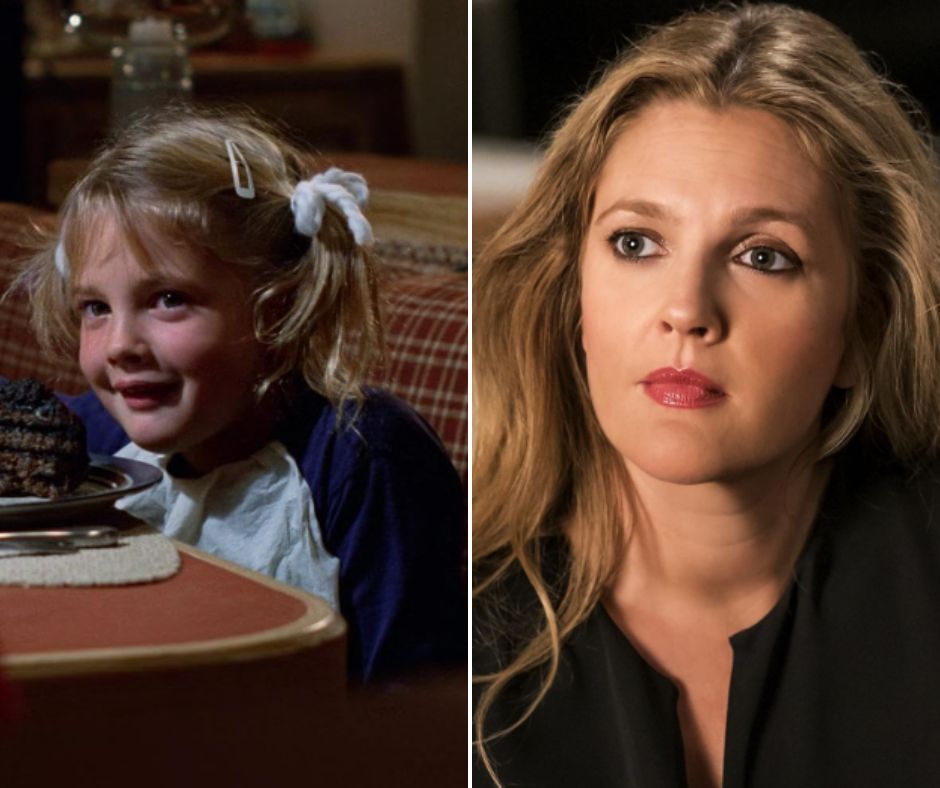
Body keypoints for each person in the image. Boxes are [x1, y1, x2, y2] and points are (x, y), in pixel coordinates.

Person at [473, 4, 940, 787]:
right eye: (635, 243)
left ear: (864, 327)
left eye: (764, 256)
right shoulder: (458, 614)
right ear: (575, 298)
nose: (686, 308)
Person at [15, 106, 464, 683]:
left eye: (168, 299)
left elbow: (415, 707)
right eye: (95, 308)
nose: (120, 344)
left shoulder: (363, 457)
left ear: (279, 307)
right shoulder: (103, 441)